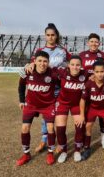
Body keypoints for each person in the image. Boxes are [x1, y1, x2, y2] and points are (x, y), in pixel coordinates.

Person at [23, 23, 71, 153]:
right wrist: (29, 63)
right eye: (48, 35)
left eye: (53, 35)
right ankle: (44, 141)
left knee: (59, 116)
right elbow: (34, 63)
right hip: (45, 89)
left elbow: (72, 63)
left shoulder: (63, 50)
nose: (50, 37)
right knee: (46, 117)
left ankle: (60, 142)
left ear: (56, 36)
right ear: (45, 36)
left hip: (59, 88)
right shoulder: (39, 51)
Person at [16, 50, 58, 166]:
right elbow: (21, 86)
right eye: (39, 61)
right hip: (31, 104)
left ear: (48, 62)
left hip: (48, 105)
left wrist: (58, 101)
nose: (42, 63)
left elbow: (62, 85)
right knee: (25, 128)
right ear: (34, 61)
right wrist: (21, 100)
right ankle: (26, 154)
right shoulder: (28, 71)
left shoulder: (53, 74)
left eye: (45, 61)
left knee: (50, 127)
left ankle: (50, 152)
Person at [80, 60, 104, 161]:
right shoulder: (89, 83)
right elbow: (83, 100)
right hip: (92, 108)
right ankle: (87, 148)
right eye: (97, 72)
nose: (100, 74)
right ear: (93, 72)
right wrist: (81, 114)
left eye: (102, 71)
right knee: (87, 126)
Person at [55, 55, 89, 163]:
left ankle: (77, 150)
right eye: (73, 64)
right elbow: (45, 68)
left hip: (77, 105)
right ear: (68, 65)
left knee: (79, 127)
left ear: (81, 66)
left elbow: (101, 71)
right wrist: (31, 63)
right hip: (62, 103)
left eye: (78, 65)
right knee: (60, 129)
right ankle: (64, 151)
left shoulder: (86, 74)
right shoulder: (62, 72)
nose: (75, 67)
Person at [79, 33, 104, 149]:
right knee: (85, 113)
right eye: (91, 41)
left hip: (100, 89)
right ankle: (82, 138)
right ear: (88, 43)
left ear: (99, 43)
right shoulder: (82, 55)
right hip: (86, 89)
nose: (94, 44)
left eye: (96, 42)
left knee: (102, 113)